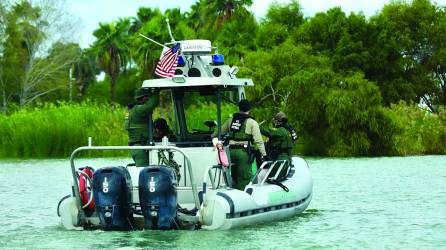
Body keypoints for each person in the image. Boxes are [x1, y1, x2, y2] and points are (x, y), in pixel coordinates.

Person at [213, 99, 267, 190]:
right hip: (243, 153)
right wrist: (264, 154)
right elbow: (259, 141)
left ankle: (233, 196)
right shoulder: (252, 122)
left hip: (230, 152)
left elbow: (218, 132)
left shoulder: (231, 120)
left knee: (234, 178)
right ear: (249, 109)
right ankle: (242, 198)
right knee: (244, 179)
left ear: (239, 108)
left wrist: (211, 136)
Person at [125, 88, 159, 167]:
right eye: (147, 98)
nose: (148, 100)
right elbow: (151, 104)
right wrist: (156, 91)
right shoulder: (139, 110)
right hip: (140, 149)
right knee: (144, 173)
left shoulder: (132, 110)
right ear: (144, 98)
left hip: (137, 148)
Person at [260, 111, 298, 179]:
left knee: (270, 176)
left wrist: (257, 127)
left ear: (278, 121)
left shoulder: (281, 131)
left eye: (275, 121)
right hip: (287, 157)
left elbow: (268, 132)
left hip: (280, 158)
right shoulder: (289, 129)